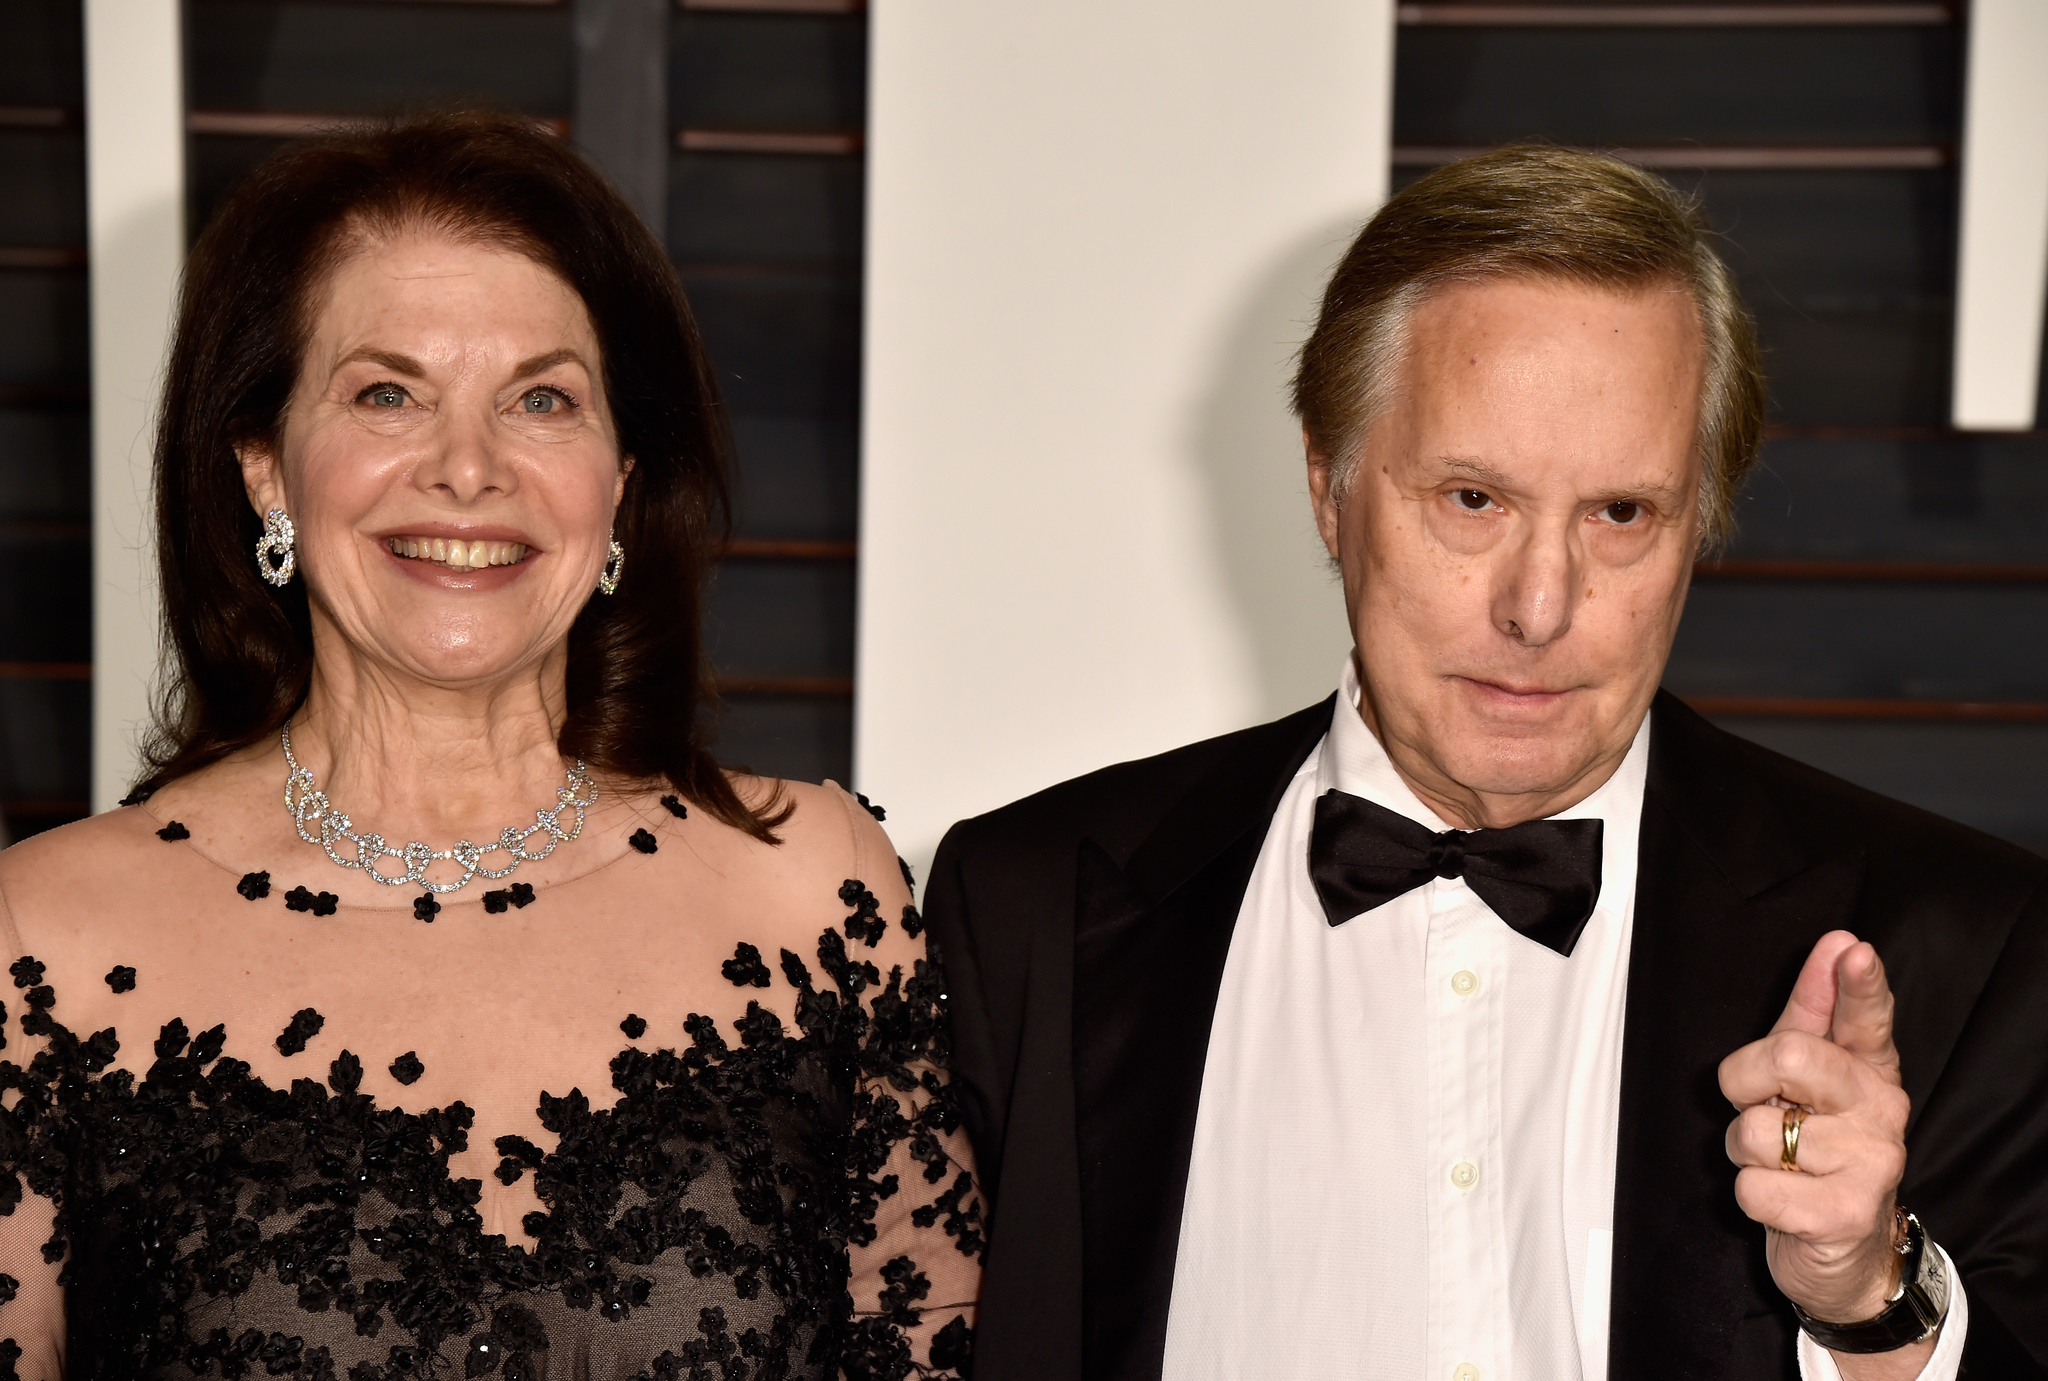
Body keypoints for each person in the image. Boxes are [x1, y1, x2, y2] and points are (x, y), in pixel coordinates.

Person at [924, 146, 2048, 1381]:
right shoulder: (1025, 903)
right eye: (1472, 499)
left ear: (1697, 529)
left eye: (1620, 514)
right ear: (1327, 485)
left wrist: (1866, 1297)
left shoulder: (1962, 943)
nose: (1539, 605)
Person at [0, 113, 981, 1379]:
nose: (468, 468)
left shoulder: (814, 887)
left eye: (541, 398)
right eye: (387, 392)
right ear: (264, 468)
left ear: (620, 477)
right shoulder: (46, 942)